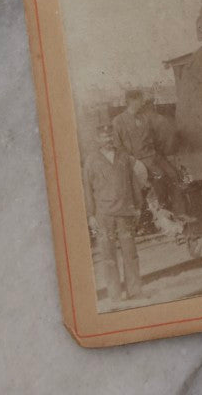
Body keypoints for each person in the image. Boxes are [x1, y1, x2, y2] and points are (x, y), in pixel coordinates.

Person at [83, 125, 142, 303]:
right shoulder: (91, 161)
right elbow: (87, 189)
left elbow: (134, 183)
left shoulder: (124, 157)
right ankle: (115, 295)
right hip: (103, 216)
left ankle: (135, 291)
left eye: (110, 136)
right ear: (97, 140)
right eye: (104, 137)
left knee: (130, 254)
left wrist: (137, 206)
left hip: (125, 213)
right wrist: (90, 215)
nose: (108, 140)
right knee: (108, 256)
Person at [112, 90, 181, 212]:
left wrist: (160, 151)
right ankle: (164, 211)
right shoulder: (119, 121)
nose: (142, 103)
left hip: (154, 155)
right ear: (131, 101)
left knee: (174, 175)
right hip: (138, 159)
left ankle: (179, 211)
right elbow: (118, 146)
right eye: (140, 100)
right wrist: (132, 161)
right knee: (160, 177)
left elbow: (157, 135)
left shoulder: (144, 117)